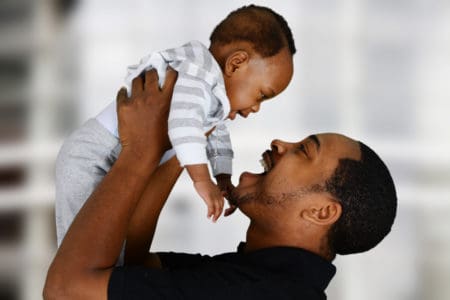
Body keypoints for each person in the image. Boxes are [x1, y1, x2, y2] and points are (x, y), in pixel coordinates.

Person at [44, 69, 397, 300]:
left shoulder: (256, 293)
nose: (279, 144)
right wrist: (183, 143)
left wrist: (138, 153)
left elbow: (65, 290)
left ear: (322, 211)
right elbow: (128, 268)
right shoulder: (252, 277)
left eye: (304, 151)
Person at [54, 4, 296, 245]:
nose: (256, 108)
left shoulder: (210, 95)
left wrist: (222, 176)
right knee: (83, 246)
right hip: (92, 157)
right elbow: (185, 127)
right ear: (236, 63)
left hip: (116, 162)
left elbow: (215, 134)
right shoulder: (196, 75)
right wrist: (202, 180)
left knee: (112, 247)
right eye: (262, 95)